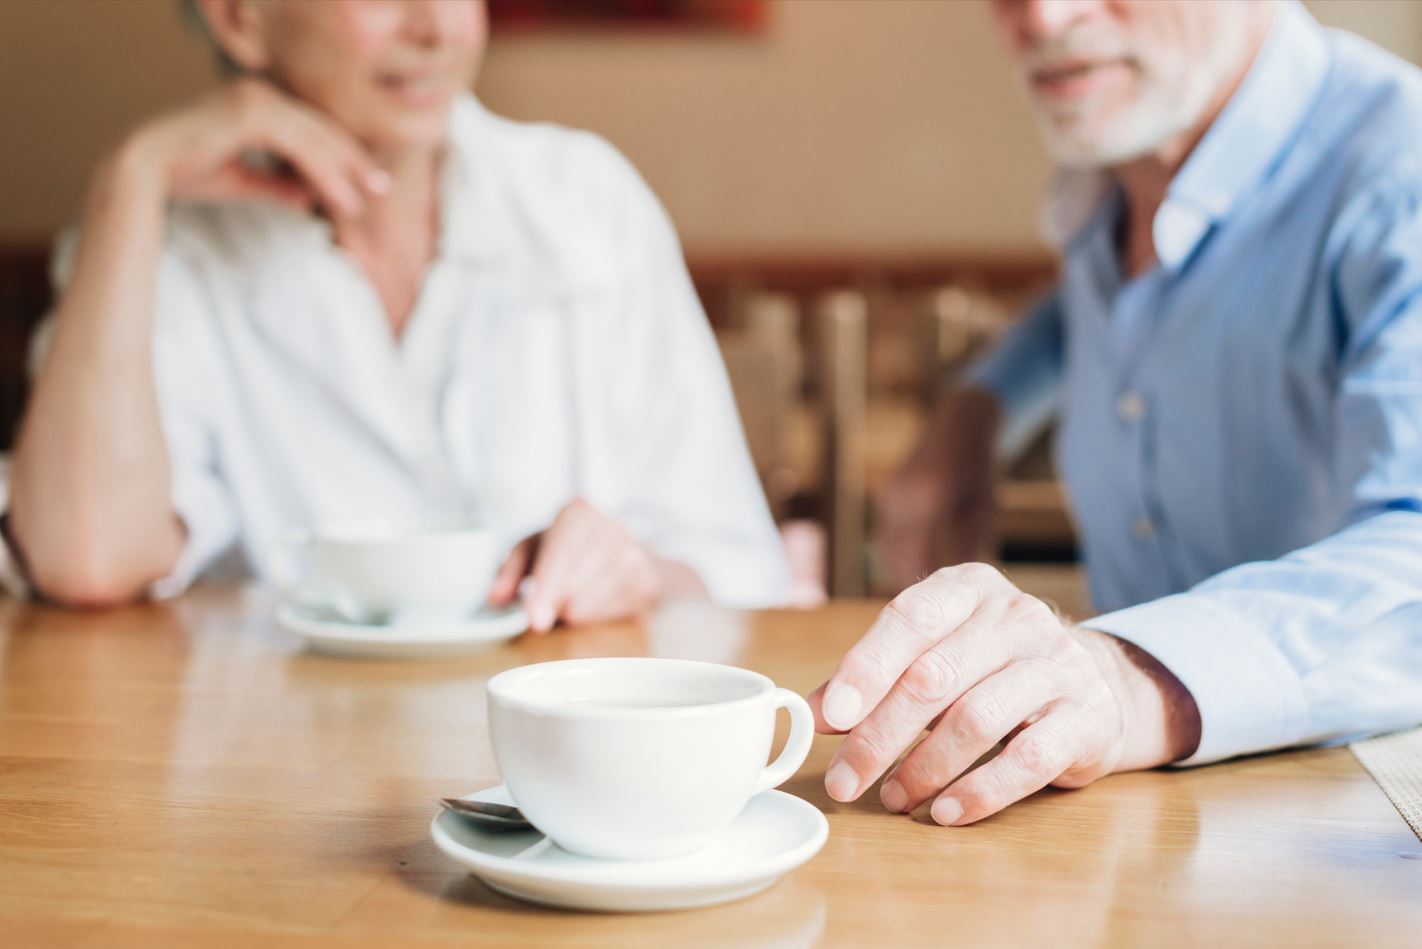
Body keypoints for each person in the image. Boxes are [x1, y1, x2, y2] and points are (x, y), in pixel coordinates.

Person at [820, 0, 1422, 826]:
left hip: (1349, 840)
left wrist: (1129, 676)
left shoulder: (1401, 169)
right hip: (1115, 835)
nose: (1042, 17)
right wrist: (975, 411)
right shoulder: (1119, 171)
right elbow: (1093, 312)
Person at [0, 0, 789, 627]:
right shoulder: (162, 253)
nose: (438, 27)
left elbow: (740, 579)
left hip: (562, 791)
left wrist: (637, 572)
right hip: (280, 792)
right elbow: (86, 559)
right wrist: (132, 175)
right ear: (240, 17)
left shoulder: (586, 201)